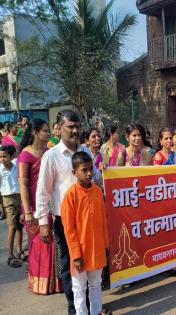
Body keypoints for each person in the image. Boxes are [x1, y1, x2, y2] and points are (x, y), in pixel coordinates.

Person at [35, 110, 102, 315]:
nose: (75, 130)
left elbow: (97, 177)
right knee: (69, 265)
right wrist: (43, 222)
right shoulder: (51, 156)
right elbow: (43, 190)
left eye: (77, 126)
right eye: (70, 126)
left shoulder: (86, 151)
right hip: (65, 220)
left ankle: (93, 307)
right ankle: (75, 309)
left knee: (90, 265)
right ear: (59, 128)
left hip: (89, 220)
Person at [61, 152, 109, 315]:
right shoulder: (70, 196)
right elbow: (69, 229)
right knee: (79, 288)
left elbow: (103, 221)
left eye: (91, 169)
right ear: (74, 172)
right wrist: (75, 255)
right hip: (79, 252)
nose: (89, 173)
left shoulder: (97, 191)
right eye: (84, 170)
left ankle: (95, 312)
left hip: (97, 249)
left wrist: (106, 246)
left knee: (96, 284)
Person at [18, 119, 61, 294]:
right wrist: (28, 211)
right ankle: (40, 283)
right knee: (39, 243)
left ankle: (56, 283)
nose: (48, 134)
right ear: (36, 133)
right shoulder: (25, 155)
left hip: (48, 202)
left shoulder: (49, 152)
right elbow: (23, 183)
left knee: (53, 241)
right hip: (32, 205)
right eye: (45, 131)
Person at [1, 144, 24, 269]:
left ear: (11, 156)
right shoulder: (0, 170)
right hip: (8, 198)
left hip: (19, 197)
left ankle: (19, 250)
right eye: (0, 157)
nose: (2, 159)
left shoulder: (17, 166)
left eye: (5, 156)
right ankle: (10, 254)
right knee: (12, 226)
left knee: (20, 225)